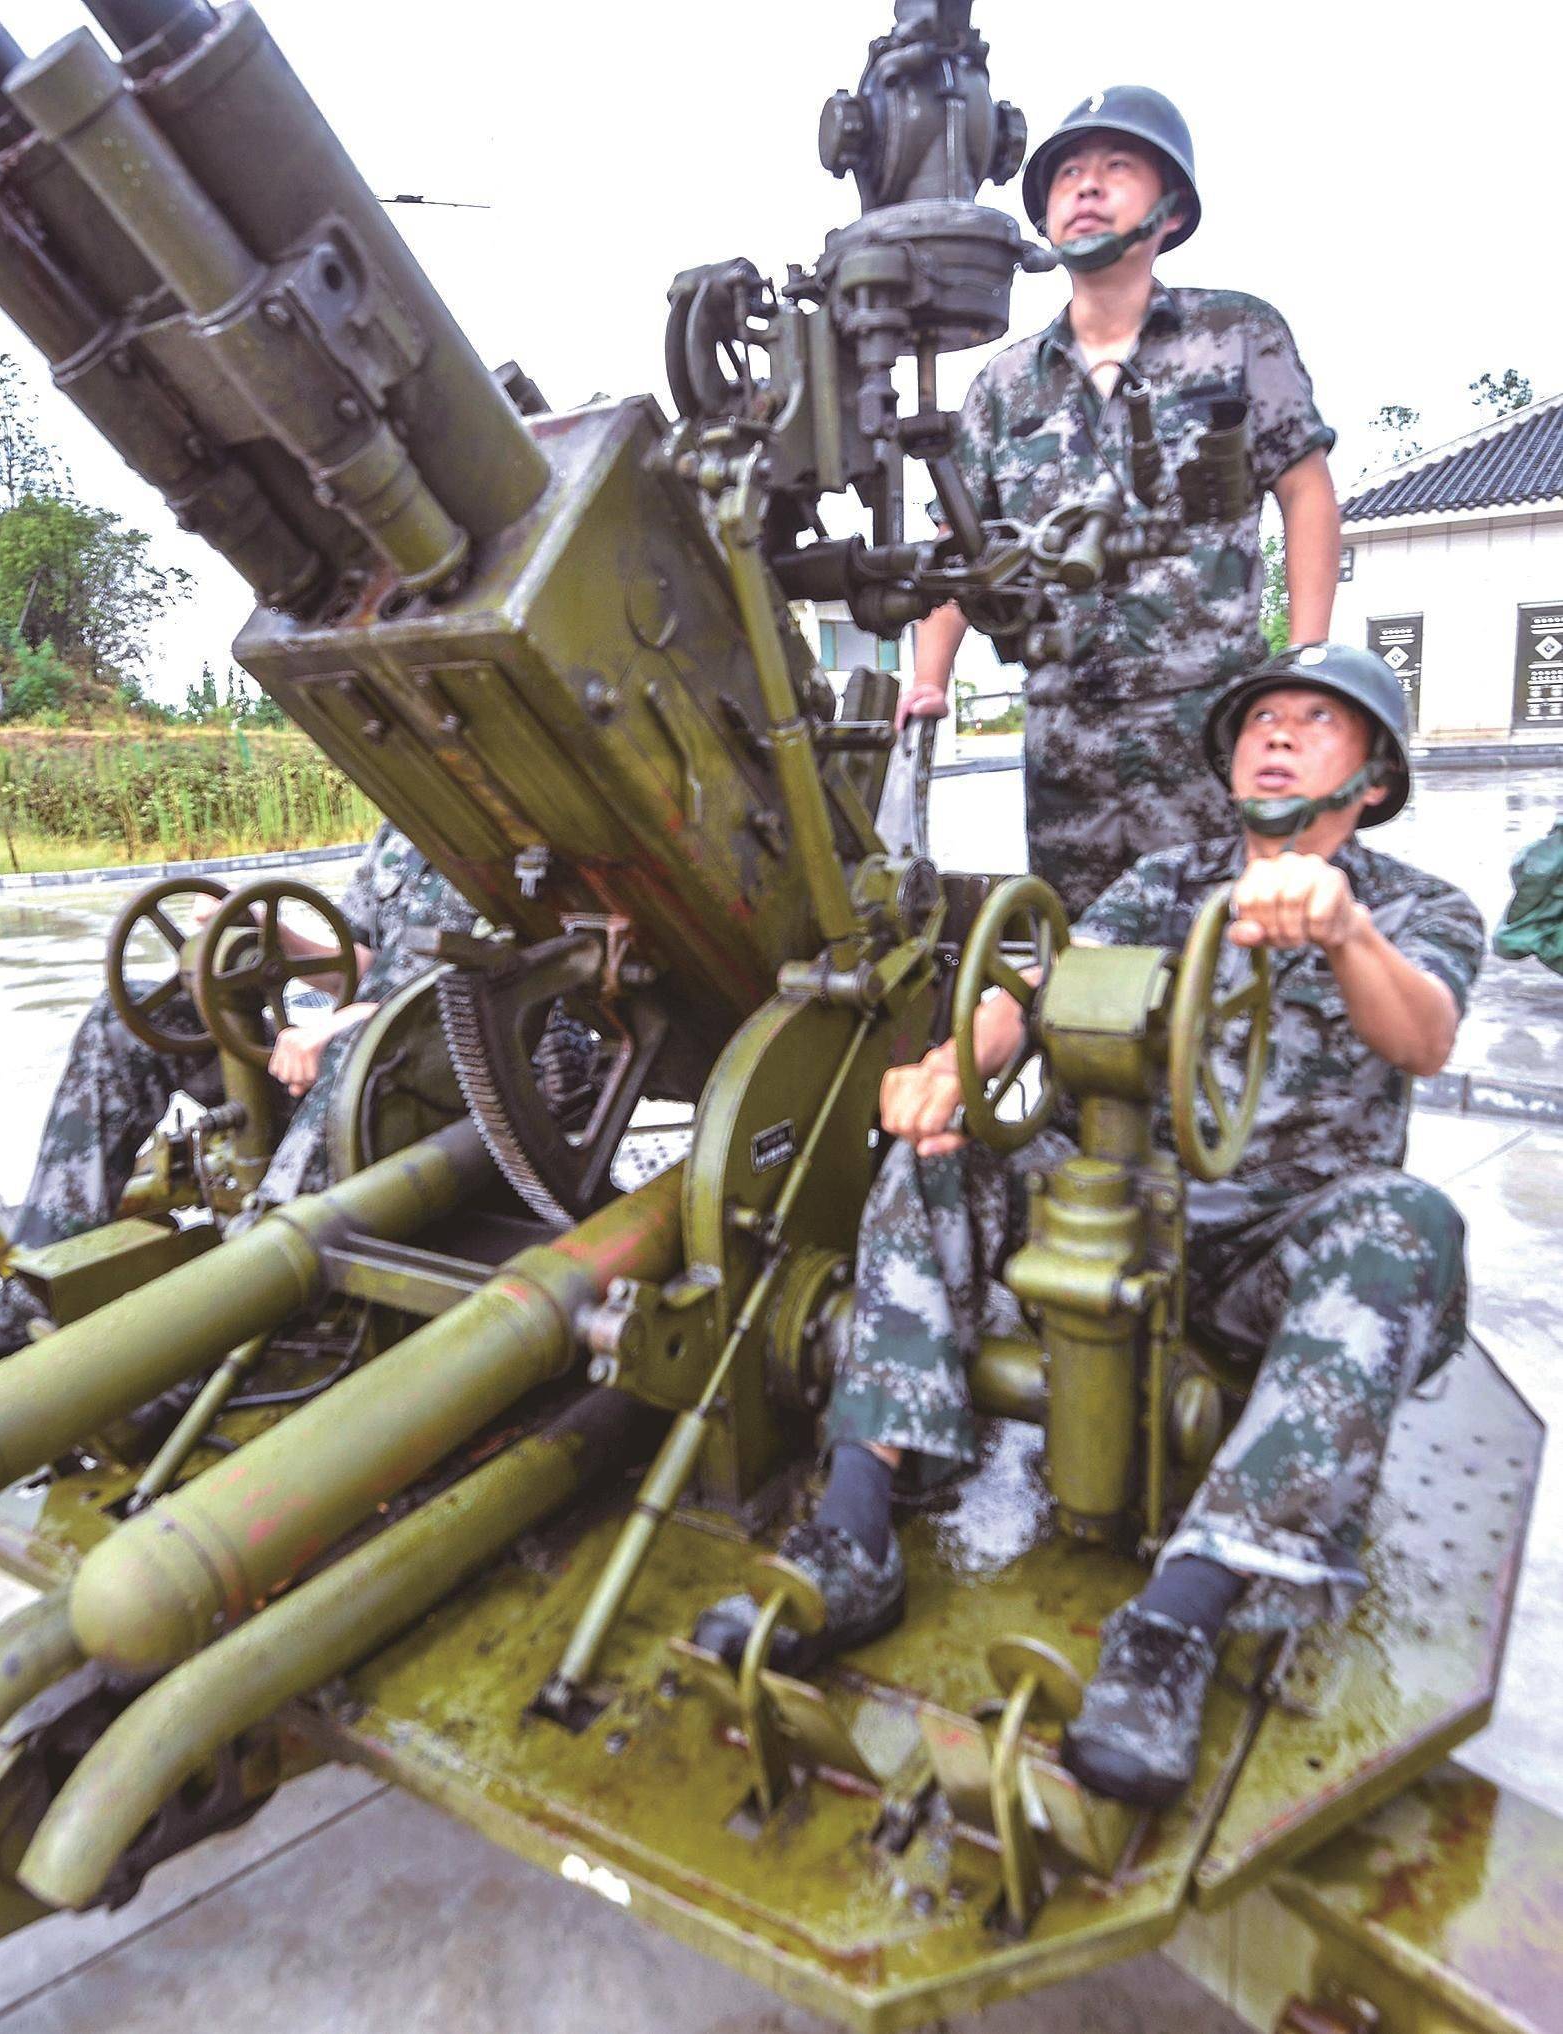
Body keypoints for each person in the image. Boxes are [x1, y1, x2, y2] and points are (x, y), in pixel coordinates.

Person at [697, 642, 1483, 1808]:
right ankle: (858, 1527)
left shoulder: (1419, 908)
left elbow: (1421, 1038)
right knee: (939, 1164)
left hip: (1285, 1247)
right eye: (1260, 718)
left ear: (1370, 780)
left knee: (1408, 1227)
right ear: (1227, 768)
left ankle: (1178, 1620)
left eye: (1314, 720)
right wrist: (951, 1068)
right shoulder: (1161, 885)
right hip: (1122, 1209)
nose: (1275, 733)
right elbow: (1034, 989)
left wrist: (1341, 930)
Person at [895, 88, 1342, 917]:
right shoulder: (1002, 384)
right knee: (1082, 971)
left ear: (1170, 209)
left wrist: (1306, 669)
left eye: (1116, 167)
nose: (1087, 186)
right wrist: (926, 679)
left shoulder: (1238, 335)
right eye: (1068, 173)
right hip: (1066, 735)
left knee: (1217, 959)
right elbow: (961, 552)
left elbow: (1305, 490)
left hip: (1205, 722)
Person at [0, 822, 475, 1362]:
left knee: (349, 1057)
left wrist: (348, 1028)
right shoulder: (404, 829)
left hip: (447, 1093)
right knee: (125, 1021)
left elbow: (487, 987)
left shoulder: (520, 829)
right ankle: (40, 1278)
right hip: (354, 1061)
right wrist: (274, 936)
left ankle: (245, 1298)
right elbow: (356, 966)